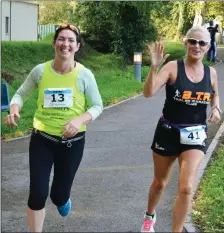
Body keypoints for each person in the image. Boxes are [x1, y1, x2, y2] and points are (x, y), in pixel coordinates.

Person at [4, 24, 103, 232]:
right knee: (38, 194)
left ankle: (63, 198)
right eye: (61, 39)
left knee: (58, 195)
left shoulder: (85, 75)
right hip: (42, 140)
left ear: (77, 47)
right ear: (53, 43)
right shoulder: (40, 71)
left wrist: (79, 120)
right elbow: (20, 94)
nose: (65, 44)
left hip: (72, 144)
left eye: (70, 40)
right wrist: (14, 109)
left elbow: (97, 106)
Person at [141, 26, 221, 232]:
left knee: (186, 189)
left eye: (202, 43)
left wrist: (216, 108)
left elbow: (214, 93)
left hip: (195, 134)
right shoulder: (172, 68)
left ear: (208, 47)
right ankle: (150, 215)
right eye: (192, 41)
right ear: (185, 43)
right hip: (168, 132)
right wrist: (154, 68)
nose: (197, 46)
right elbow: (148, 93)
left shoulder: (210, 72)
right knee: (160, 182)